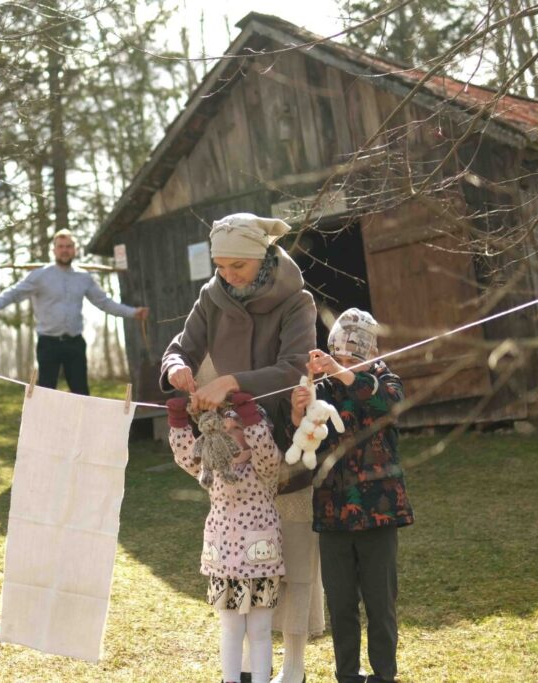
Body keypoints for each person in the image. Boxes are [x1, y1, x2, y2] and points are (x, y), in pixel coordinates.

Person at [160, 212, 322, 683]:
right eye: (220, 266)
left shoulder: (297, 301)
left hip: (285, 441)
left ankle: (293, 664)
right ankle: (250, 668)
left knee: (293, 556)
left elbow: (294, 367)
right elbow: (180, 347)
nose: (227, 275)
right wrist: (176, 366)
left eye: (238, 266)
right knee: (244, 557)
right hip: (235, 449)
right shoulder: (211, 297)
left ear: (263, 258)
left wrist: (232, 381)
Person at [291, 309, 414, 683]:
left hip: (379, 514)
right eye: (338, 358)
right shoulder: (323, 389)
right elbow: (307, 441)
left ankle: (384, 675)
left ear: (371, 354)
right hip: (333, 514)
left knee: (381, 604)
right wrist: (298, 412)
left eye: (351, 359)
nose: (342, 366)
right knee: (341, 605)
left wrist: (342, 371)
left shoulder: (386, 381)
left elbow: (385, 406)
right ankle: (347, 675)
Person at [166, 392, 284, 683]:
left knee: (259, 631)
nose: (228, 434)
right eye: (225, 429)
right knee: (231, 629)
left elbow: (265, 449)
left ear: (254, 433)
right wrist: (178, 421)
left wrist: (249, 414)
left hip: (260, 561)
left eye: (237, 429)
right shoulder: (212, 468)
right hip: (224, 563)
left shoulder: (265, 468)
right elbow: (186, 454)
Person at [0, 229, 149, 395]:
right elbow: (15, 292)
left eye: (69, 246)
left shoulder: (83, 277)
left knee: (81, 394)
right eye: (61, 246)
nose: (65, 250)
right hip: (48, 343)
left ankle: (81, 413)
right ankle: (46, 413)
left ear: (74, 250)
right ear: (54, 250)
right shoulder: (40, 275)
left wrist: (133, 312)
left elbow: (104, 302)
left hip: (74, 343)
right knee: (46, 393)